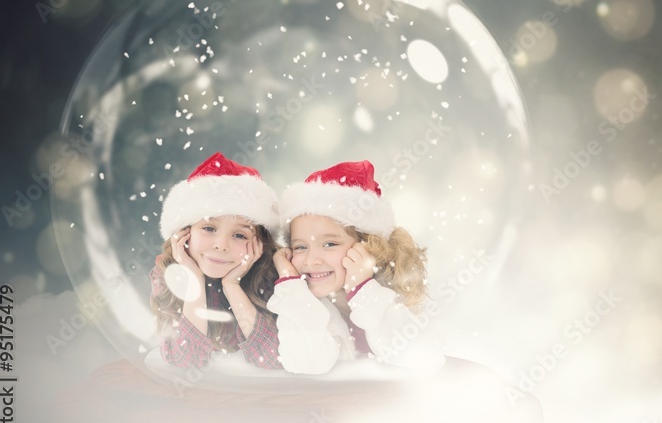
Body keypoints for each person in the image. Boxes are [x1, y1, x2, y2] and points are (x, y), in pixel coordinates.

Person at [268, 160, 445, 374]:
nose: (311, 260)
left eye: (329, 244)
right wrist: (289, 282)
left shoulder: (395, 295)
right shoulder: (301, 301)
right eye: (301, 246)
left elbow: (423, 356)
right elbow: (304, 364)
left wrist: (362, 289)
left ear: (367, 247)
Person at [150, 152, 282, 370]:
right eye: (209, 228)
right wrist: (194, 279)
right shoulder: (167, 272)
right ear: (184, 233)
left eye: (239, 235)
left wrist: (232, 286)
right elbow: (185, 360)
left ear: (258, 244)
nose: (221, 245)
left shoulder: (269, 274)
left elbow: (275, 358)